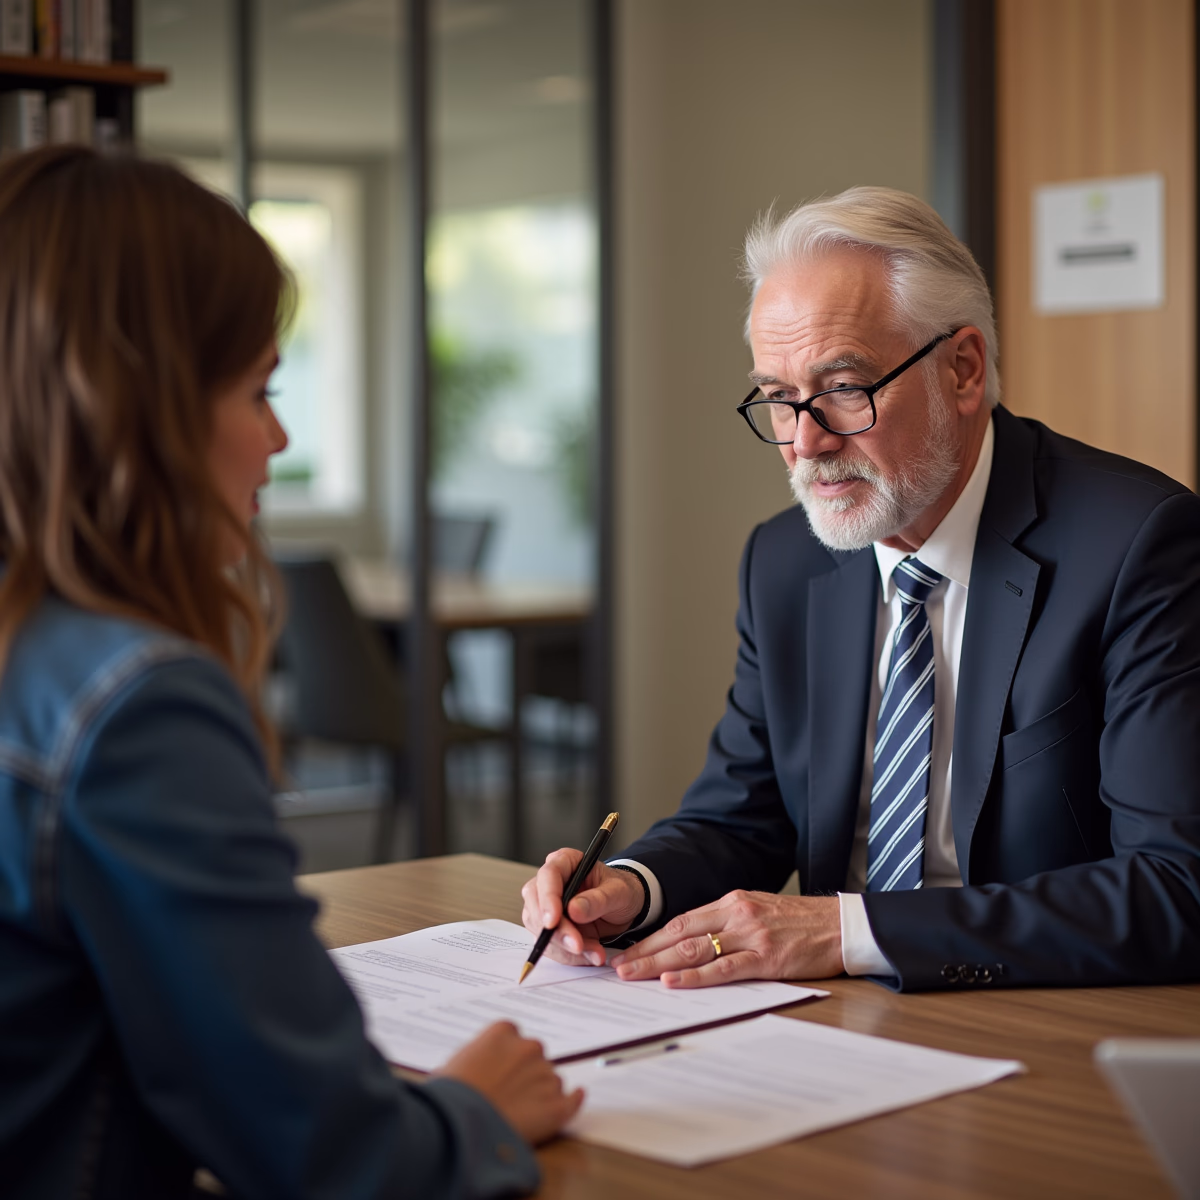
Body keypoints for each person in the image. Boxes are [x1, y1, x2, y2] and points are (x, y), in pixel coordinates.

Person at [0, 145, 581, 1199]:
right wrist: (473, 1113)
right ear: (141, 403)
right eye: (259, 390)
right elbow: (330, 1155)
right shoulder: (131, 705)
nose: (278, 438)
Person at [523, 186, 1200, 993]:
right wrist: (631, 889)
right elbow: (745, 812)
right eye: (778, 397)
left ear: (963, 369)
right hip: (835, 1023)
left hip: (1037, 1018)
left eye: (843, 388)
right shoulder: (784, 561)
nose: (804, 443)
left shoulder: (1138, 542)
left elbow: (1175, 887)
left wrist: (850, 930)